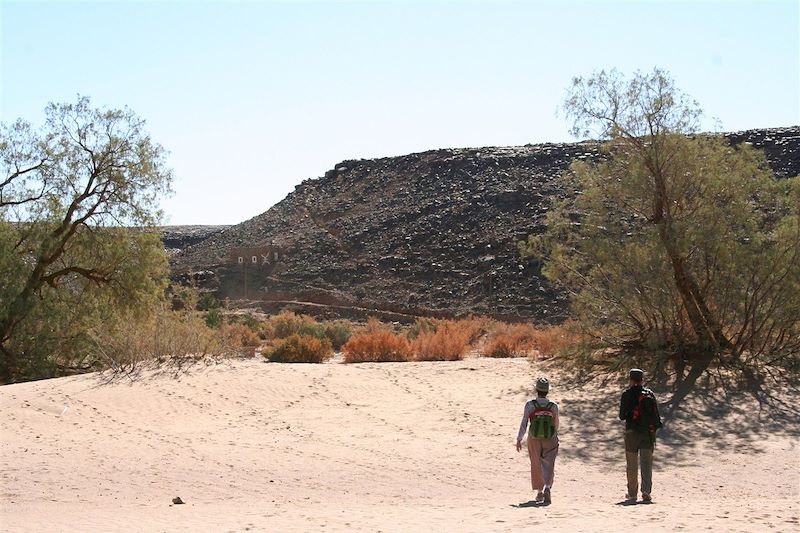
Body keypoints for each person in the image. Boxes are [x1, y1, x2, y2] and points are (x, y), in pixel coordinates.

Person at [619, 368, 662, 503]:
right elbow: (656, 417)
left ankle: (632, 494)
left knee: (631, 465)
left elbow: (621, 416)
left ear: (630, 379)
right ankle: (646, 491)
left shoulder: (626, 394)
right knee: (646, 463)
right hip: (647, 434)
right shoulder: (649, 394)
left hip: (631, 432)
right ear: (642, 379)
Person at [516, 376, 560, 504]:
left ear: (536, 390)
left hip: (534, 437)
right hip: (550, 437)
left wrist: (519, 438)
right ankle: (547, 486)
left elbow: (524, 422)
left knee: (535, 463)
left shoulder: (530, 405)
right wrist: (554, 434)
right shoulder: (553, 406)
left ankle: (539, 492)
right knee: (549, 463)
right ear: (547, 391)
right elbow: (556, 423)